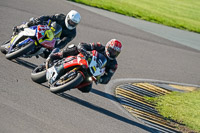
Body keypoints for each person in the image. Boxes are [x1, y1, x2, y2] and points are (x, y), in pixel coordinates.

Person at [46, 39, 122, 93]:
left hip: (91, 72)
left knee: (87, 89)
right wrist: (83, 50)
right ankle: (58, 55)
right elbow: (83, 45)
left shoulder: (113, 64)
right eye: (112, 50)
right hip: (84, 59)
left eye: (116, 52)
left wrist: (100, 79)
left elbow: (107, 77)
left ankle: (68, 83)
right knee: (74, 49)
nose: (113, 53)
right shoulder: (99, 46)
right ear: (108, 47)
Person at [14, 10, 81, 57]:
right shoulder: (60, 17)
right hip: (47, 29)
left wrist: (56, 48)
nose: (72, 24)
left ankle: (33, 52)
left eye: (74, 23)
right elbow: (48, 17)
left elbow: (64, 42)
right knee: (34, 22)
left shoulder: (72, 33)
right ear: (67, 18)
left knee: (50, 55)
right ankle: (21, 27)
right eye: (71, 22)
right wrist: (40, 19)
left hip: (53, 39)